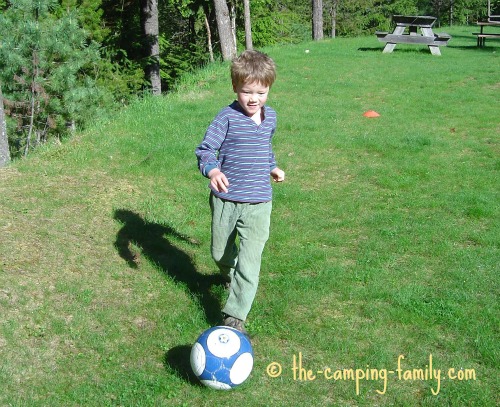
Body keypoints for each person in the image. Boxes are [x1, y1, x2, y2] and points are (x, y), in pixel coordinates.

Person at [195, 50, 285, 334]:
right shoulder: (226, 118)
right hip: (226, 200)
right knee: (220, 254)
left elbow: (265, 147)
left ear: (269, 89)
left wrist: (272, 166)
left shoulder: (270, 118)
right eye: (247, 91)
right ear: (235, 87)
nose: (254, 99)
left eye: (261, 92)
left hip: (259, 202)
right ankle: (231, 276)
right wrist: (213, 171)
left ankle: (235, 315)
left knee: (250, 259)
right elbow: (206, 149)